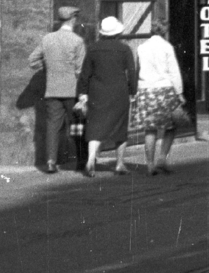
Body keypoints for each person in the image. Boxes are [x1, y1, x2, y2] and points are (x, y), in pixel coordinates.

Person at [77, 15, 138, 176]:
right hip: (119, 92)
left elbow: (85, 74)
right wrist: (133, 91)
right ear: (118, 32)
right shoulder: (124, 49)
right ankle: (119, 164)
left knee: (95, 126)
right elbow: (131, 72)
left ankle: (91, 159)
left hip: (97, 91)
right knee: (120, 128)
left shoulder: (93, 48)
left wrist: (82, 93)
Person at [29, 6, 86, 174]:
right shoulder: (77, 41)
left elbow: (32, 60)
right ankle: (81, 161)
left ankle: (50, 161)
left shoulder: (48, 39)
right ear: (73, 20)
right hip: (72, 90)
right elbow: (80, 70)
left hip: (52, 90)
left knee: (53, 126)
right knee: (77, 125)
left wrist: (46, 67)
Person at [134, 16, 186, 175]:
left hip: (146, 90)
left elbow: (138, 69)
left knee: (150, 129)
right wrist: (179, 92)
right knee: (171, 126)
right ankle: (162, 157)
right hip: (165, 90)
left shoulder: (141, 47)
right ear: (165, 31)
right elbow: (174, 72)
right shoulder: (167, 47)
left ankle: (149, 164)